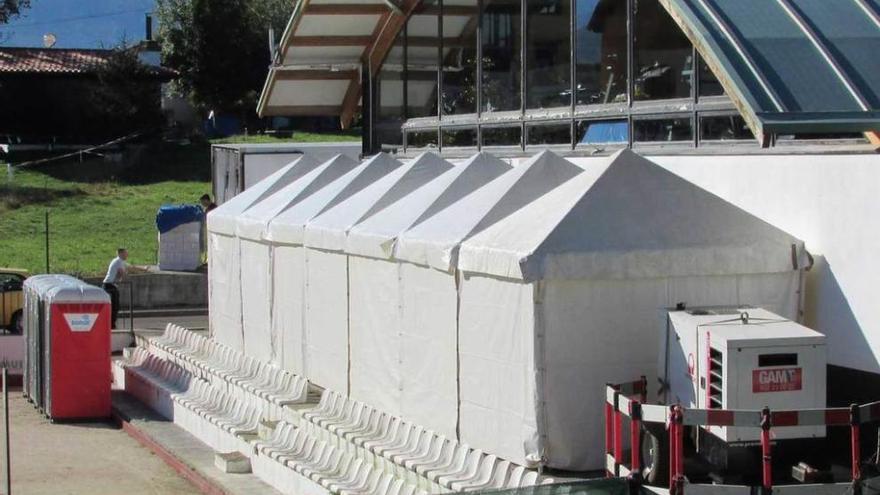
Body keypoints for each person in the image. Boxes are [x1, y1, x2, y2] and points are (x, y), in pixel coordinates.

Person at [102, 248, 129, 329]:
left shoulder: (118, 261)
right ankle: (111, 325)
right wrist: (124, 275)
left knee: (114, 306)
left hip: (109, 285)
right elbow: (121, 273)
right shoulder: (119, 261)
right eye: (125, 253)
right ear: (121, 254)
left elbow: (129, 268)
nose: (127, 255)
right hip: (109, 285)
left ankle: (111, 324)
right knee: (114, 306)